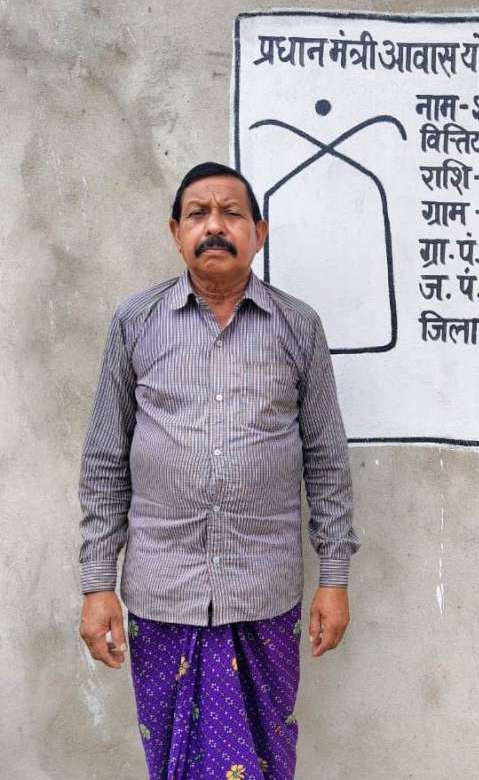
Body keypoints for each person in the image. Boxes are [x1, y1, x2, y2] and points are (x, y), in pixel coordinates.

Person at [77, 161, 360, 779]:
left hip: (264, 593)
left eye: (231, 214)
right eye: (198, 214)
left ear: (259, 232)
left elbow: (326, 460)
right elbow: (104, 461)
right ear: (175, 232)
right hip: (163, 594)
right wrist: (97, 584)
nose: (214, 226)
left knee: (263, 760)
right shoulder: (135, 322)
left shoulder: (298, 327)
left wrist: (334, 577)